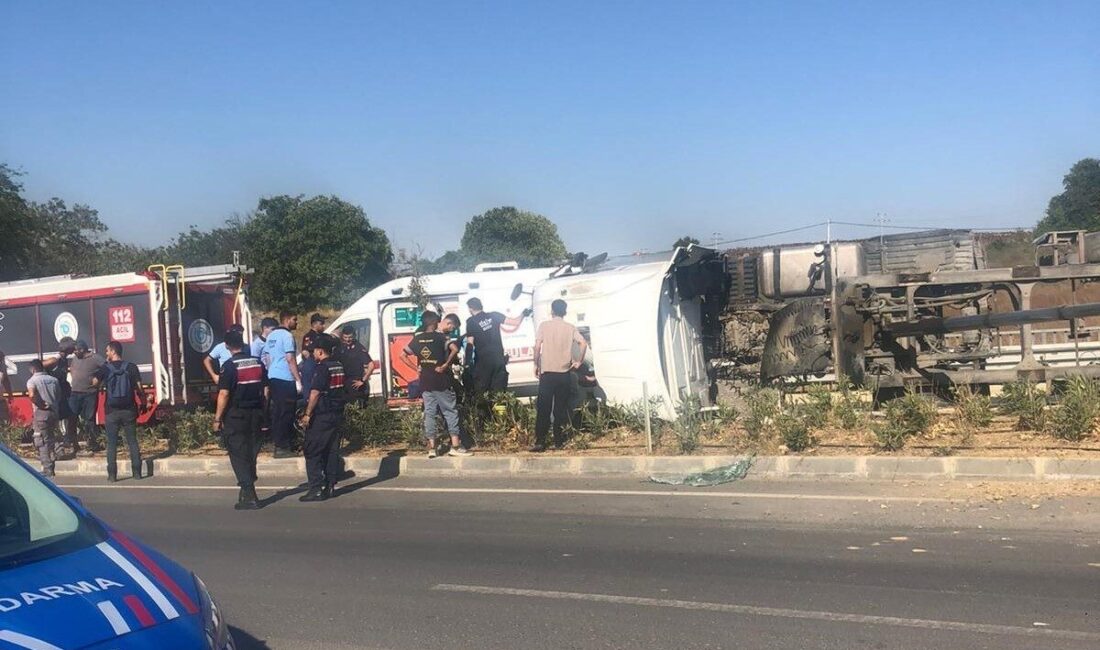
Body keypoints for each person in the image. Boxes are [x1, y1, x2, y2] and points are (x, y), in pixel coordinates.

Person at [212, 331, 265, 510]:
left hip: (237, 415)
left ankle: (249, 493)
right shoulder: (258, 362)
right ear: (242, 344)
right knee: (251, 450)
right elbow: (266, 389)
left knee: (238, 453)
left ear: (227, 346)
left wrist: (217, 418)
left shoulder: (229, 366)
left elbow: (224, 393)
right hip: (256, 413)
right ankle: (245, 490)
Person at [405, 311, 469, 458]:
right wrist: (446, 364)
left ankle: (432, 448)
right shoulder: (442, 337)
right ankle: (455, 446)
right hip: (441, 380)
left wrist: (416, 368)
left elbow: (403, 355)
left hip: (425, 381)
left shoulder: (418, 336)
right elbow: (455, 349)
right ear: (434, 323)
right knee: (450, 411)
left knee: (430, 414)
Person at [532, 299, 588, 451]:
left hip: (547, 372)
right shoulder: (570, 328)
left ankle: (540, 441)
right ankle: (559, 440)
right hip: (564, 373)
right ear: (565, 311)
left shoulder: (544, 326)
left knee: (543, 408)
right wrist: (578, 361)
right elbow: (583, 343)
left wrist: (536, 364)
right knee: (560, 408)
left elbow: (537, 347)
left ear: (552, 311)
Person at [297, 335, 346, 502]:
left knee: (312, 450)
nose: (313, 355)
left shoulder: (322, 368)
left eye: (314, 352)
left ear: (319, 351)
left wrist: (307, 414)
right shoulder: (338, 365)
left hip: (322, 415)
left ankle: (315, 488)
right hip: (337, 413)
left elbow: (315, 392)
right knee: (331, 450)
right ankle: (330, 486)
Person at [96, 341, 149, 482]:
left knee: (112, 443)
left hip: (111, 411)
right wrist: (143, 402)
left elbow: (94, 382)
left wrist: (104, 368)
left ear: (113, 352)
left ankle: (112, 475)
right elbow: (139, 388)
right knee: (132, 441)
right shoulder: (131, 367)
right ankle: (137, 473)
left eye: (107, 351)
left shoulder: (106, 368)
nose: (106, 353)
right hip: (129, 409)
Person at [263, 311, 302, 458]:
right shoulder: (287, 336)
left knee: (278, 412)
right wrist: (298, 379)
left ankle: (280, 444)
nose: (296, 322)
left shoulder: (271, 336)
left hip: (273, 376)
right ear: (286, 320)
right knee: (287, 412)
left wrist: (271, 371)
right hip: (285, 378)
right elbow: (290, 358)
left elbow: (267, 357)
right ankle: (283, 446)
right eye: (294, 319)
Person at [65, 340, 105, 454]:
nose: (74, 353)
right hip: (75, 393)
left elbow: (106, 368)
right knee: (72, 418)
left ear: (82, 349)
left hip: (90, 393)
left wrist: (99, 379)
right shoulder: (75, 359)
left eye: (76, 350)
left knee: (90, 419)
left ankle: (92, 443)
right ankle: (72, 443)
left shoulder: (95, 358)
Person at [465, 298, 510, 394]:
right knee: (499, 393)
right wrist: (524, 314)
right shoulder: (494, 315)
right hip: (498, 360)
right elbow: (515, 322)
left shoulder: (471, 321)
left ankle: (487, 408)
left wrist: (467, 363)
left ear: (470, 309)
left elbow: (470, 344)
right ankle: (499, 408)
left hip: (483, 363)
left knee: (483, 393)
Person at [43, 337, 78, 455]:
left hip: (63, 393)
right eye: (72, 347)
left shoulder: (64, 360)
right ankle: (54, 447)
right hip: (56, 395)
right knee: (55, 419)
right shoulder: (56, 360)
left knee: (71, 415)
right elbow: (40, 366)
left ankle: (70, 441)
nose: (74, 349)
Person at [26, 360, 61, 477]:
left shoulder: (32, 381)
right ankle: (53, 462)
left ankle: (47, 469)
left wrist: (41, 404)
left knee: (41, 441)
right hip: (54, 412)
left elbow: (31, 395)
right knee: (51, 438)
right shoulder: (54, 380)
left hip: (41, 413)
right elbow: (59, 396)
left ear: (33, 369)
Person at [337, 324, 373, 405]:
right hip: (345, 384)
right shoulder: (341, 348)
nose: (347, 340)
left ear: (354, 336)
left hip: (356, 385)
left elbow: (371, 365)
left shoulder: (359, 348)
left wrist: (363, 380)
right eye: (345, 337)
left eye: (350, 337)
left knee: (358, 408)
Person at [0, 350, 12, 425]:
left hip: (1, 400)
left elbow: (6, 381)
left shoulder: (2, 368)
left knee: (5, 422)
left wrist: (10, 394)